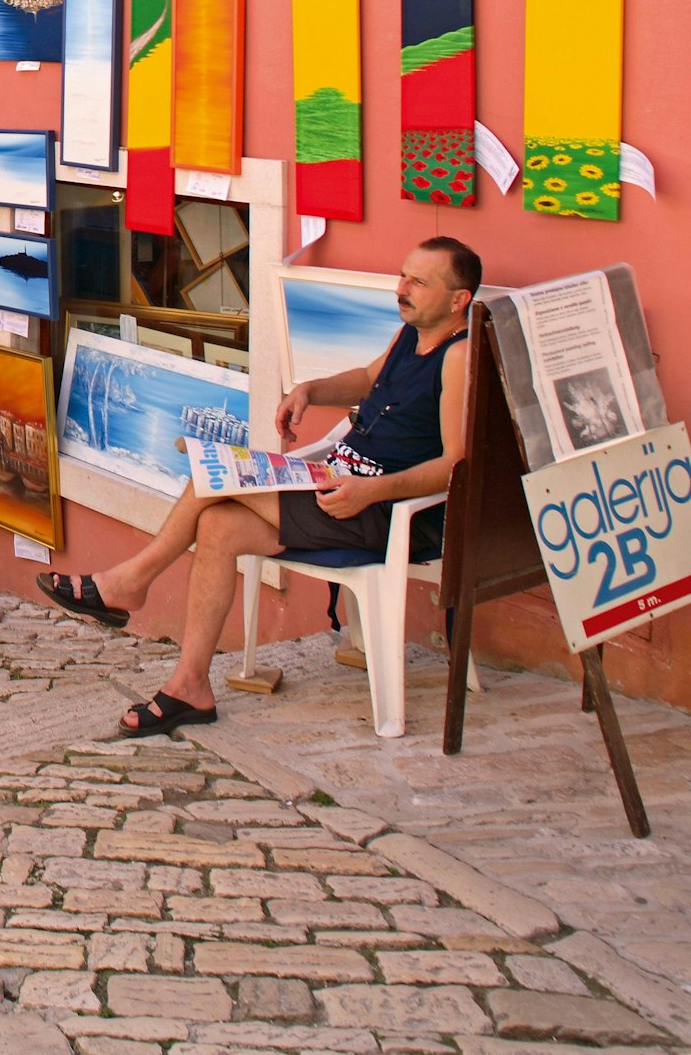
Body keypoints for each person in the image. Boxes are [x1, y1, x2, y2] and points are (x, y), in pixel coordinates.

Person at [36, 237, 480, 739]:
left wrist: (371, 492)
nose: (402, 288)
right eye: (403, 275)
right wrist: (309, 391)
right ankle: (190, 687)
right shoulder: (410, 335)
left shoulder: (458, 357)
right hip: (337, 489)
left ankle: (129, 582)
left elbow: (455, 465)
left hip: (384, 513)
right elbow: (366, 378)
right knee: (218, 524)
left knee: (210, 475)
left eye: (418, 282)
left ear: (458, 299)